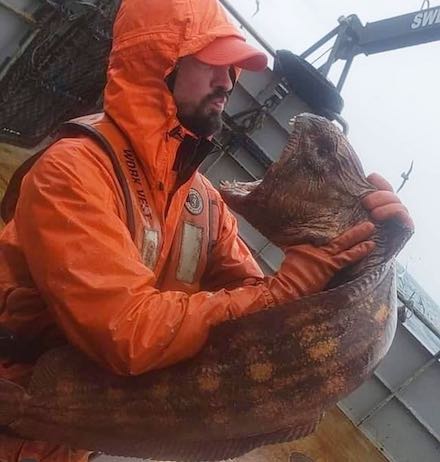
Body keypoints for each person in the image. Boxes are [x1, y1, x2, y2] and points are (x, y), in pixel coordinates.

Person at [0, 0, 413, 460]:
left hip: (71, 435)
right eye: (213, 62)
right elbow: (127, 334)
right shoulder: (74, 171)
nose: (228, 81)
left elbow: (258, 308)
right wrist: (288, 285)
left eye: (234, 67)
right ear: (158, 62)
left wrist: (356, 262)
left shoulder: (199, 200)